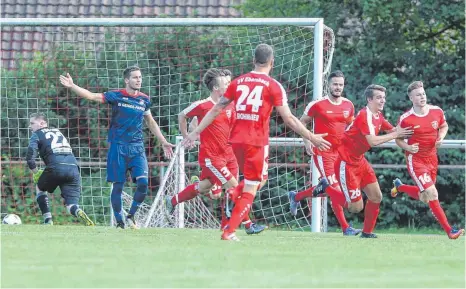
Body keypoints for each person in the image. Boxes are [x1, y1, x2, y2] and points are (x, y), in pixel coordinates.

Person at [183, 43, 331, 241]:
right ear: (272, 62)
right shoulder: (273, 85)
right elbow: (289, 119)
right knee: (253, 186)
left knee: (256, 181)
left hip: (235, 142)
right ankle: (230, 227)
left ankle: (234, 196)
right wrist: (312, 137)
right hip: (256, 141)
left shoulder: (237, 82)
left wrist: (195, 132)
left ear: (253, 60)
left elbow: (216, 108)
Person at [59, 66, 174, 229]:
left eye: (140, 77)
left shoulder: (144, 99)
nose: (139, 80)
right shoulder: (117, 96)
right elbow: (92, 96)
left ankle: (131, 216)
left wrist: (163, 141)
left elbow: (150, 121)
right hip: (118, 147)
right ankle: (120, 221)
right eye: (135, 77)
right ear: (127, 80)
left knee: (142, 183)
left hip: (137, 148)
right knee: (118, 185)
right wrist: (72, 86)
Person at [167, 68, 266, 234]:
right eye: (226, 83)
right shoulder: (203, 106)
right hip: (212, 158)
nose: (229, 85)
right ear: (215, 88)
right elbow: (182, 116)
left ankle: (173, 200)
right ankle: (249, 225)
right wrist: (187, 136)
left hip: (230, 156)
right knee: (235, 188)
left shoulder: (232, 104)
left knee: (207, 188)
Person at [313, 84, 413, 238]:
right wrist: (396, 134)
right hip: (346, 163)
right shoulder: (364, 116)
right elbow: (372, 141)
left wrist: (411, 132)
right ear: (369, 99)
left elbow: (394, 131)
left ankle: (366, 233)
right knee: (355, 208)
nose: (382, 101)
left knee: (376, 196)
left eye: (383, 98)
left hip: (360, 161)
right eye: (379, 98)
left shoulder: (378, 116)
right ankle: (327, 188)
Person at [288, 70, 361, 235]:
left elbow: (350, 127)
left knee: (330, 189)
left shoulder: (348, 105)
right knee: (335, 188)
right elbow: (301, 123)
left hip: (340, 154)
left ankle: (297, 196)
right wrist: (308, 141)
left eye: (340, 85)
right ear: (328, 84)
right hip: (323, 152)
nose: (338, 87)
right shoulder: (317, 104)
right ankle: (345, 228)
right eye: (335, 84)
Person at [391, 81, 464, 239]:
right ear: (411, 98)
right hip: (416, 160)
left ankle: (400, 186)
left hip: (432, 159)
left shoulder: (436, 111)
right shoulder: (406, 119)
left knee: (425, 197)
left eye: (423, 93)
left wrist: (441, 137)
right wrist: (408, 148)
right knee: (432, 193)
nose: (422, 97)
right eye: (418, 95)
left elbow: (444, 126)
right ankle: (450, 231)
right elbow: (398, 139)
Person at [26, 112, 94, 226]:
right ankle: (77, 210)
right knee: (71, 205)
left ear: (42, 123)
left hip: (56, 167)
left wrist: (36, 173)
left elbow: (30, 158)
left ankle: (48, 220)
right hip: (74, 169)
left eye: (32, 123)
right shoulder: (58, 131)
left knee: (39, 188)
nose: (30, 126)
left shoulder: (37, 134)